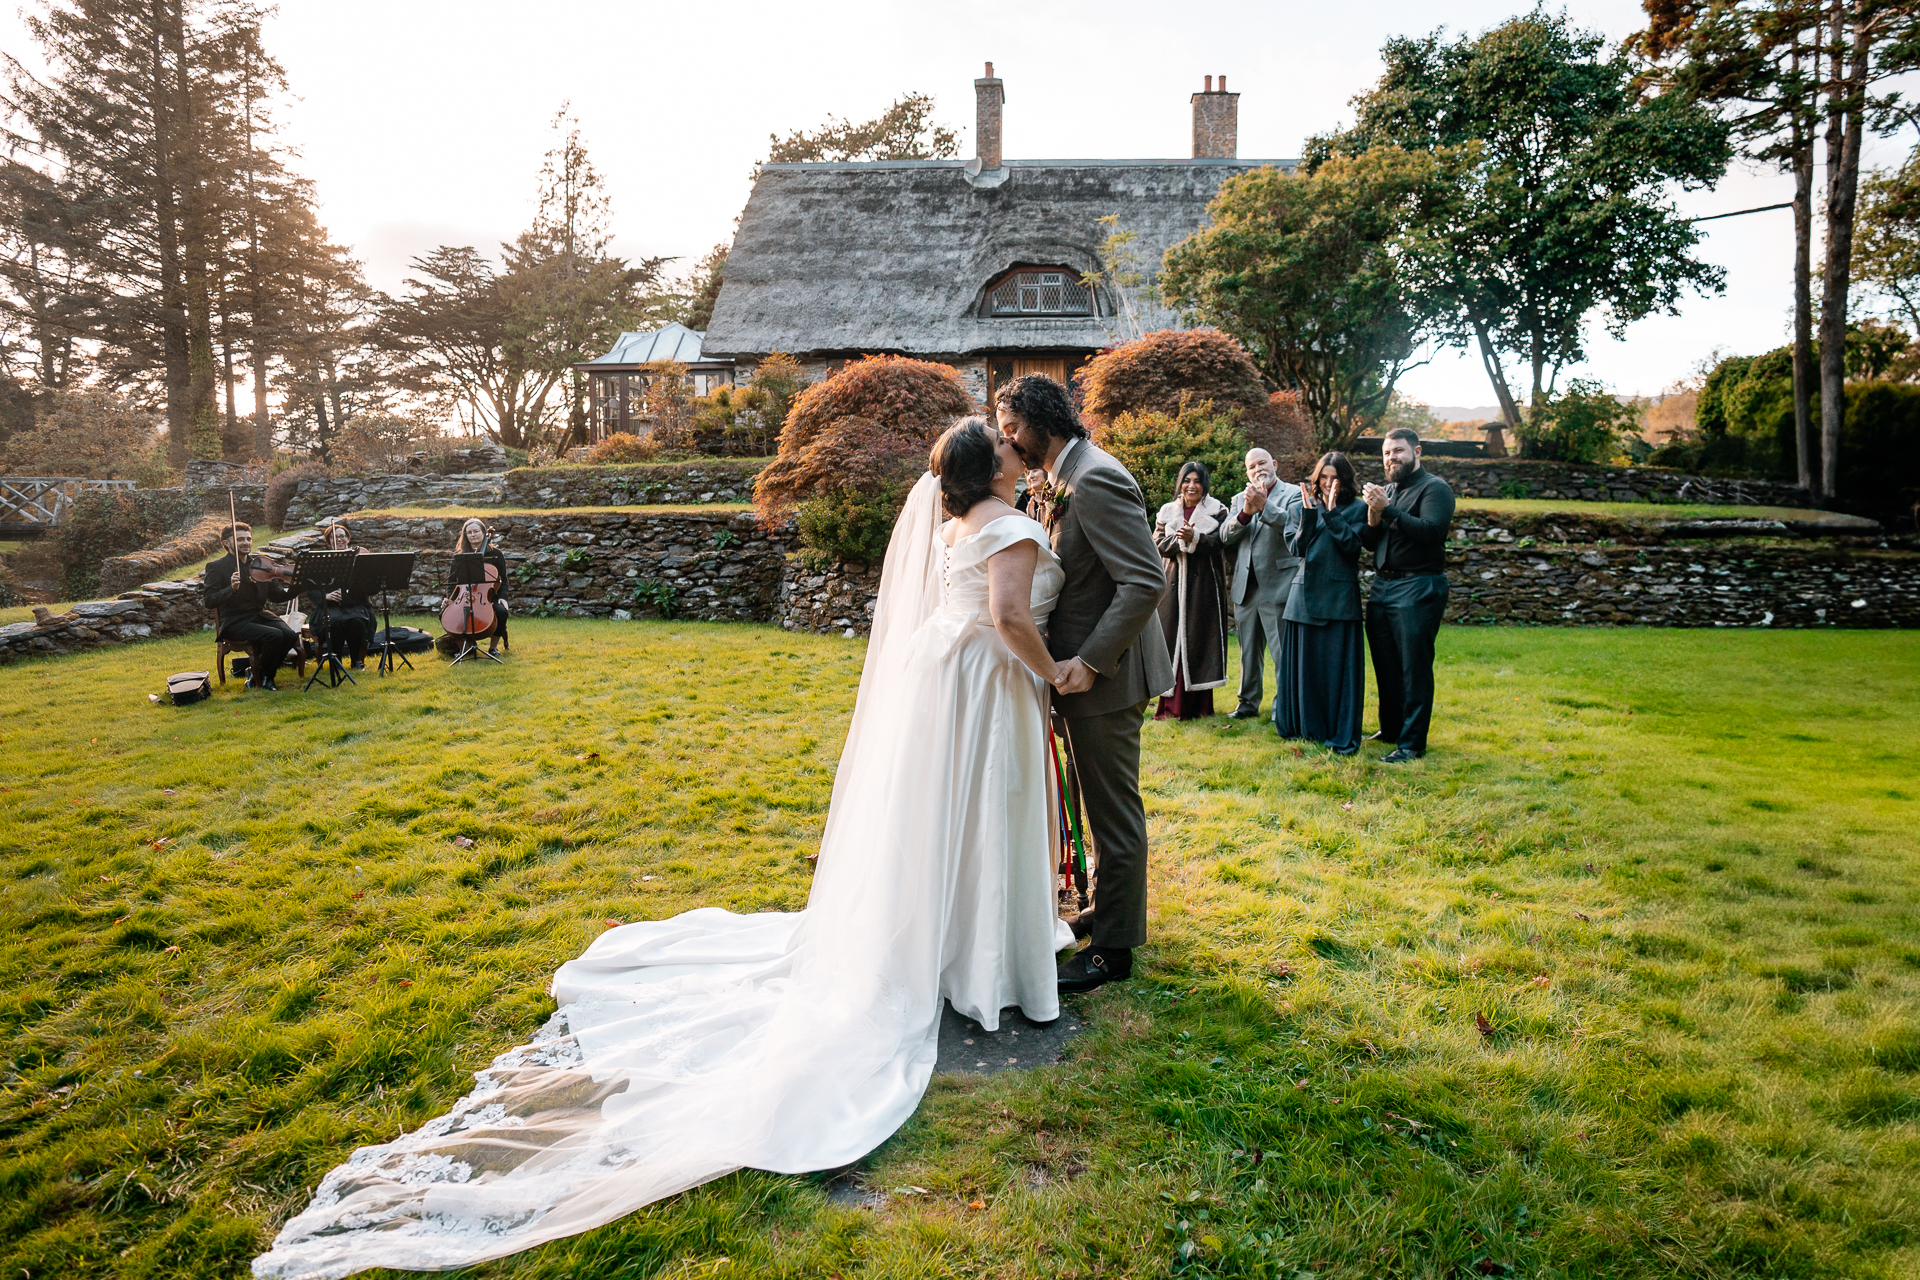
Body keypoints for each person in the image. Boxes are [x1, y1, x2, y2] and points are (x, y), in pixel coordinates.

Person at [254, 418, 1078, 1278]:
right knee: (977, 812)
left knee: (938, 822)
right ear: (996, 467)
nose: (1022, 452)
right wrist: (1056, 671)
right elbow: (1010, 614)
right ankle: (979, 958)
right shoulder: (1010, 528)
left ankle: (947, 941)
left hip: (939, 683)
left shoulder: (952, 525)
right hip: (986, 687)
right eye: (1011, 447)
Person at [998, 373, 1172, 995]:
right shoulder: (1063, 476)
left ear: (1043, 419)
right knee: (1093, 801)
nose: (1008, 439)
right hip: (1076, 674)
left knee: (1112, 810)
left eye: (1013, 427)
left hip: (1108, 675)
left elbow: (1145, 580)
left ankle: (1114, 952)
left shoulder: (1094, 478)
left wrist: (1091, 662)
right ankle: (1110, 910)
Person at [1361, 428, 1456, 761]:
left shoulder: (1435, 489)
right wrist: (1373, 516)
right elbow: (1370, 543)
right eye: (1387, 453)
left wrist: (1386, 510)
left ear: (1417, 451)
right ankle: (1390, 730)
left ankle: (1412, 744)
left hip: (1419, 586)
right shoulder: (1386, 491)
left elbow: (1431, 532)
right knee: (1385, 666)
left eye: (1398, 451)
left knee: (1414, 668)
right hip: (1383, 586)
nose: (1392, 458)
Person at [1275, 452, 1367, 754]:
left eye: (1335, 478)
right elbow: (1297, 548)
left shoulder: (1358, 508)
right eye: (1324, 477)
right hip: (1302, 598)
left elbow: (1353, 548)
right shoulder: (1302, 506)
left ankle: (1335, 728)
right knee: (1305, 670)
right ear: (1316, 479)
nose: (1329, 483)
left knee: (1337, 672)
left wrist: (1330, 513)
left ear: (1345, 479)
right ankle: (1305, 726)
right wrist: (1311, 515)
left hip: (1341, 600)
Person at [1220, 447, 1303, 719]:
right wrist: (1245, 511)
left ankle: (1284, 707)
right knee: (1247, 653)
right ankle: (1247, 704)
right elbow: (1225, 535)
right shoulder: (1238, 499)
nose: (1258, 469)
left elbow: (1292, 525)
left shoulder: (1292, 494)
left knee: (1281, 653)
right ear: (1247, 472)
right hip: (1246, 587)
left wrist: (1264, 504)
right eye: (1252, 466)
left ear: (1275, 464)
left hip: (1277, 585)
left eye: (1262, 463)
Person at [1151, 460, 1231, 721]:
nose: (1191, 485)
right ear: (1180, 483)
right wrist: (1179, 540)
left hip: (1204, 586)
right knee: (1171, 640)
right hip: (1172, 587)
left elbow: (1220, 542)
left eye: (1197, 481)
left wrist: (1195, 539)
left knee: (1198, 638)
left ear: (1204, 484)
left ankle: (1198, 706)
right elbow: (1157, 543)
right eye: (1187, 480)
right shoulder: (1167, 511)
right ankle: (1169, 707)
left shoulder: (1218, 510)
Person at [203, 523, 298, 691]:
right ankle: (266, 679)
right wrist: (230, 589)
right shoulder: (216, 567)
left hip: (259, 615)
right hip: (234, 621)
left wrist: (299, 587)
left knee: (290, 635)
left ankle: (257, 675)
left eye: (248, 538)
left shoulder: (260, 565)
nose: (246, 542)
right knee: (274, 635)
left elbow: (277, 596)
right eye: (240, 539)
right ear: (226, 544)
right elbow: (210, 600)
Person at [303, 523, 374, 669]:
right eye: (334, 538)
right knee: (333, 622)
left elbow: (369, 588)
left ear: (348, 538)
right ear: (329, 542)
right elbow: (311, 589)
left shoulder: (359, 559)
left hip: (355, 605)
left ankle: (356, 660)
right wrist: (326, 596)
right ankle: (336, 661)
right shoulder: (321, 561)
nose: (339, 540)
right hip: (330, 606)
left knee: (357, 621)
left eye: (342, 536)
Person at [436, 517, 510, 656]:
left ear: (483, 533)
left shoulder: (496, 554)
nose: (473, 535)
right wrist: (450, 599)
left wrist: (503, 598)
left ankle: (493, 648)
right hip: (464, 596)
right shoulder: (459, 555)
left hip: (487, 596)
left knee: (501, 611)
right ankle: (464, 649)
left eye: (476, 531)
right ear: (465, 535)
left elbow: (503, 580)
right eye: (469, 532)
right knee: (444, 614)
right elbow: (452, 582)